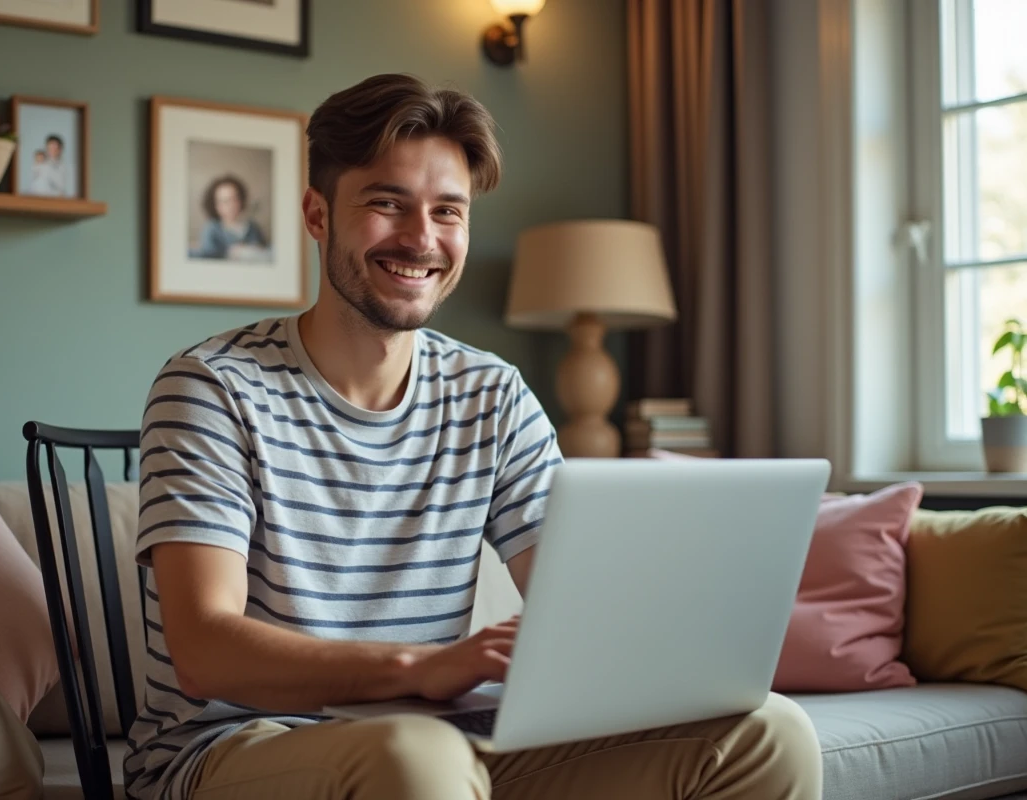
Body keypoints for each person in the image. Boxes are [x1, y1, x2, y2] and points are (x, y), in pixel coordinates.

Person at [124, 73, 823, 800]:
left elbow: (577, 603)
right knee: (416, 756)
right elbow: (204, 651)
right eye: (387, 203)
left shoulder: (492, 394)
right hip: (237, 747)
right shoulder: (211, 387)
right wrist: (419, 667)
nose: (422, 238)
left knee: (769, 733)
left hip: (439, 741)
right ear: (316, 213)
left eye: (448, 211)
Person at [188, 175, 269, 261]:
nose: (231, 206)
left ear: (241, 200)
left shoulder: (252, 227)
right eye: (225, 201)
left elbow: (264, 251)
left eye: (234, 199)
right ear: (215, 206)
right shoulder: (212, 228)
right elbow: (207, 256)